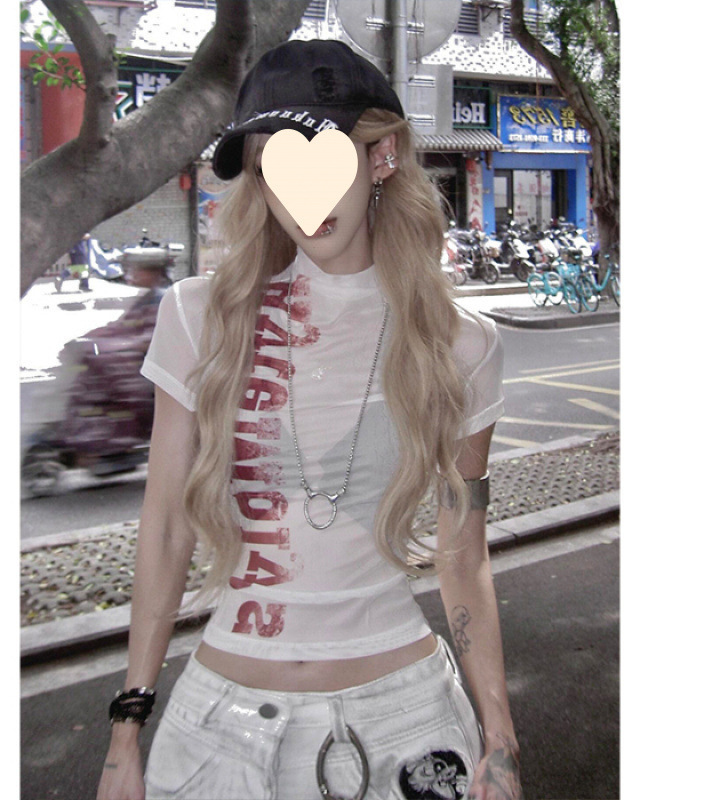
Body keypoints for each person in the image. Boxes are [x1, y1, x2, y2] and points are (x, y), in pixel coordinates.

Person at [97, 39, 521, 800]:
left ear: (381, 156)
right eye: (273, 170)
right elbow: (164, 527)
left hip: (406, 722)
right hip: (219, 734)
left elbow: (463, 555)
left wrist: (501, 738)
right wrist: (126, 731)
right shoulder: (199, 317)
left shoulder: (463, 345)